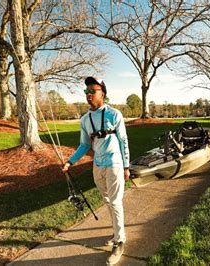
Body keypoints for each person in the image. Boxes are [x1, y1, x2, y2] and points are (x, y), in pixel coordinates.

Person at [62, 76, 130, 265]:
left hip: (115, 163)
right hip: (97, 165)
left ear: (103, 94)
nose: (89, 94)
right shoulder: (85, 119)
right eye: (87, 91)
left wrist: (126, 166)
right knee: (107, 201)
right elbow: (84, 145)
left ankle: (119, 241)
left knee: (115, 202)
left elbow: (123, 141)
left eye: (93, 91)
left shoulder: (114, 114)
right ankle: (118, 230)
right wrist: (70, 162)